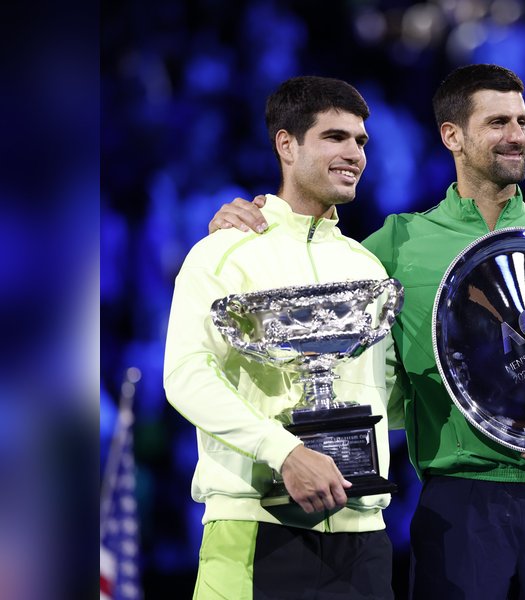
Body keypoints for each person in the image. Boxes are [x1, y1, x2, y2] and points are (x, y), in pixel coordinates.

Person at [208, 64, 525, 600]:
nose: (516, 136)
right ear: (452, 136)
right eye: (498, 123)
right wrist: (260, 221)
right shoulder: (397, 243)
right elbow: (314, 283)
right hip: (460, 507)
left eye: (523, 121)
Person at [164, 75, 404, 600]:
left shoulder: (365, 266)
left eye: (361, 141)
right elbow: (185, 376)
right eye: (335, 137)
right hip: (254, 526)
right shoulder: (224, 250)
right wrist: (285, 452)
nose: (355, 154)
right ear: (287, 145)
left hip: (364, 538)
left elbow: (383, 398)